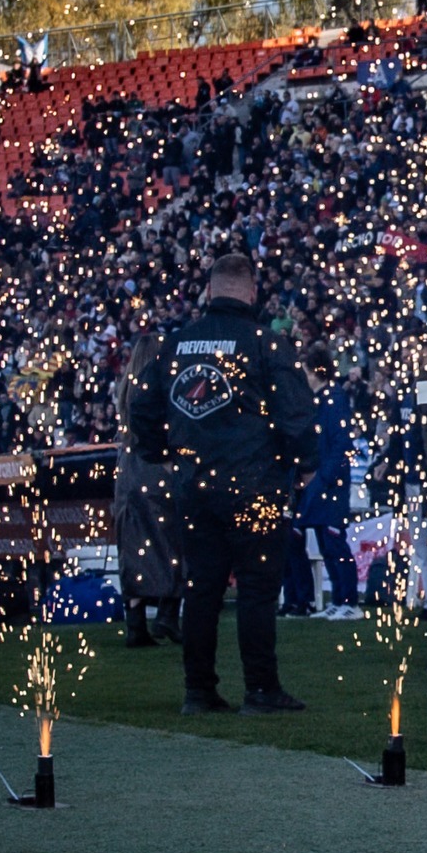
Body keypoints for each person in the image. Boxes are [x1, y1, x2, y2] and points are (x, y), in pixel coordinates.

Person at [130, 252, 318, 715]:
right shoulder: (266, 344)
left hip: (195, 487)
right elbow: (296, 412)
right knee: (256, 589)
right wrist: (305, 464)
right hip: (256, 484)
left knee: (202, 589)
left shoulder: (175, 344)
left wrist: (161, 454)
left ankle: (198, 691)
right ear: (252, 291)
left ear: (209, 290)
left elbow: (142, 406)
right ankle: (261, 689)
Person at [112, 332, 183, 648]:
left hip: (128, 469)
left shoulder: (125, 387)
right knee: (174, 540)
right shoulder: (159, 386)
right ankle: (168, 612)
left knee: (133, 547)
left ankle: (135, 625)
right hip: (156, 467)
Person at [282, 350, 362, 621]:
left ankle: (350, 602)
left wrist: (324, 476)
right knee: (326, 543)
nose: (303, 377)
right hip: (320, 482)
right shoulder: (318, 400)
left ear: (317, 371)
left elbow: (341, 443)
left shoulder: (335, 399)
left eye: (305, 371)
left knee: (335, 540)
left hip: (332, 483)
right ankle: (338, 600)